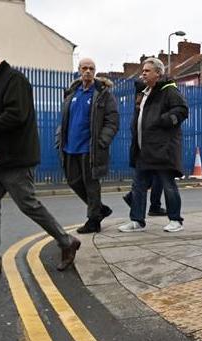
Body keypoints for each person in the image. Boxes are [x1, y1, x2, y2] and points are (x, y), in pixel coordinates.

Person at [0, 43, 80, 276]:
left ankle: (66, 241)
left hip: (15, 159)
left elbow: (16, 116)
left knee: (28, 204)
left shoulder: (15, 80)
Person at [118, 57, 188, 233]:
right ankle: (137, 221)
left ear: (158, 73)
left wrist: (164, 120)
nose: (143, 73)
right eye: (143, 70)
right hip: (144, 149)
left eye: (147, 71)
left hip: (162, 149)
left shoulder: (169, 90)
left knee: (168, 185)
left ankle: (175, 220)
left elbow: (182, 110)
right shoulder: (145, 92)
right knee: (139, 185)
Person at [56, 58, 119, 234]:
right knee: (73, 181)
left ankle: (93, 221)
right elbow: (65, 120)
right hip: (70, 147)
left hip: (90, 148)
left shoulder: (103, 94)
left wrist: (101, 141)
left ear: (95, 71)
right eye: (84, 68)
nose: (88, 71)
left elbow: (112, 121)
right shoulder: (72, 93)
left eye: (91, 68)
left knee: (91, 185)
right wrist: (59, 138)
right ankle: (99, 209)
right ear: (78, 70)